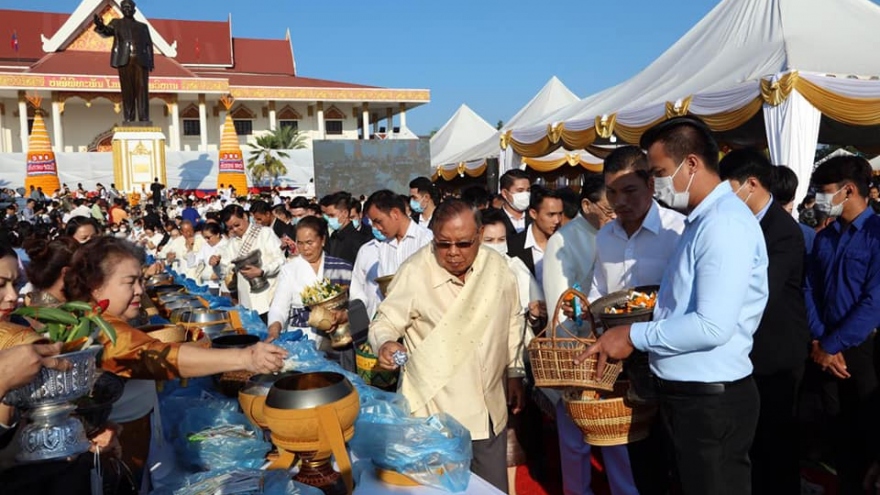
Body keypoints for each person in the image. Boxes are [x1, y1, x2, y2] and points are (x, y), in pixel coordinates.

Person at [578, 116, 768, 495]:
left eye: (660, 172)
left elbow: (712, 325)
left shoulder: (723, 225)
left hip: (710, 399)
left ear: (692, 164)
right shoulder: (701, 222)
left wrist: (632, 334)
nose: (657, 183)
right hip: (687, 395)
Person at [370, 199, 525, 492]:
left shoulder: (497, 267)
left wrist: (515, 372)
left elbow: (513, 320)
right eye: (444, 244)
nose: (453, 253)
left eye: (464, 243)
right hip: (436, 415)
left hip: (490, 409)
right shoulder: (415, 271)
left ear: (479, 235)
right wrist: (385, 342)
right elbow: (384, 321)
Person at [585, 146, 685, 495]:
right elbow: (598, 289)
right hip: (625, 371)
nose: (619, 201)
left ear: (651, 185)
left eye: (629, 191)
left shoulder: (679, 231)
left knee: (680, 463)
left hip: (673, 366)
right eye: (612, 192)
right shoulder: (605, 237)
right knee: (642, 462)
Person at [719, 149, 809, 495]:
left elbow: (762, 290)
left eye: (729, 191)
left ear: (751, 185)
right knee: (754, 442)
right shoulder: (742, 223)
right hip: (750, 351)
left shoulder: (782, 231)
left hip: (777, 351)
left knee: (777, 442)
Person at [804, 155, 880, 494]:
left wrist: (833, 345)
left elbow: (874, 301)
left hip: (865, 350)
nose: (820, 198)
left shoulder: (877, 235)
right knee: (840, 436)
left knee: (870, 432)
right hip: (824, 349)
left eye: (824, 191)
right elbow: (810, 289)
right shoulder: (825, 237)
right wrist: (821, 341)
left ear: (848, 191)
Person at [540, 174, 615, 494]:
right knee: (575, 440)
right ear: (587, 205)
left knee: (616, 434)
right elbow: (561, 304)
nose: (616, 214)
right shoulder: (564, 240)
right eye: (609, 208)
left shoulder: (618, 231)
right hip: (576, 352)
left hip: (616, 347)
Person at [479, 208, 544, 494]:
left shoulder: (515, 267)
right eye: (489, 239)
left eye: (501, 239)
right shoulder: (469, 273)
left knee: (510, 435)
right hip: (477, 364)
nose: (497, 245)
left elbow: (530, 315)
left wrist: (532, 315)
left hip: (513, 361)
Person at [266, 216, 352, 344]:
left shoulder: (343, 268)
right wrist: (274, 331)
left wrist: (344, 315)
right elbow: (279, 307)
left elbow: (357, 303)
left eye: (309, 242)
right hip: (301, 338)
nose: (305, 248)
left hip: (337, 336)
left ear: (322, 240)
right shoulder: (290, 269)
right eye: (300, 243)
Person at [353, 190, 433, 319]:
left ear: (395, 213)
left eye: (378, 221)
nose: (376, 227)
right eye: (372, 223)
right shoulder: (384, 247)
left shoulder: (426, 240)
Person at [212, 205, 284, 320]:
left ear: (245, 217)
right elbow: (224, 273)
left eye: (237, 225)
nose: (235, 230)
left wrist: (262, 271)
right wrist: (216, 265)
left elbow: (280, 261)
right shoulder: (231, 243)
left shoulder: (265, 233)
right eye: (230, 228)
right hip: (246, 303)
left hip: (269, 298)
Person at [93, 0, 154, 123]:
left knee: (142, 90)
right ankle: (129, 118)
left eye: (129, 7)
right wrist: (100, 26)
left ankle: (144, 118)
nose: (127, 9)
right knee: (127, 90)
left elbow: (149, 45)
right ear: (121, 10)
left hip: (140, 61)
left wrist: (151, 62)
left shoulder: (142, 27)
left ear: (134, 10)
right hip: (124, 60)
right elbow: (106, 31)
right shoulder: (116, 23)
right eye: (125, 7)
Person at [507, 185, 563, 284]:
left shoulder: (565, 245)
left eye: (560, 214)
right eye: (551, 215)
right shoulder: (511, 247)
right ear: (533, 213)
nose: (557, 220)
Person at [321, 192, 369, 265]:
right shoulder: (334, 237)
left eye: (332, 215)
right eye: (328, 216)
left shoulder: (357, 240)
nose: (329, 219)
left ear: (345, 213)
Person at [497, 169, 532, 238]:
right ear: (504, 193)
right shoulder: (495, 219)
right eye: (520, 190)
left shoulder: (535, 218)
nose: (525, 194)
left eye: (528, 190)